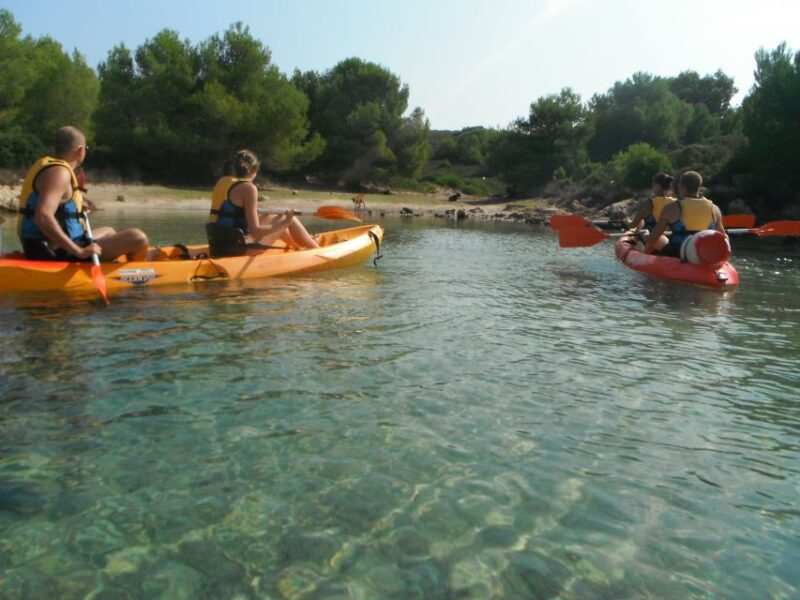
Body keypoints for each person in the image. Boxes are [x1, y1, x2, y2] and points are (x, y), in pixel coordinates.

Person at [18, 126, 148, 261]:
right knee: (138, 238)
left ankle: (112, 266)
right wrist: (79, 251)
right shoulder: (59, 173)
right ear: (80, 151)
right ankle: (134, 277)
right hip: (52, 251)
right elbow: (43, 217)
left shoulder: (50, 167)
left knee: (109, 231)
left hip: (47, 245)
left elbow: (55, 205)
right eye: (86, 149)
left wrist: (79, 206)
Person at [208, 149, 319, 252]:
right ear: (255, 170)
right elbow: (256, 232)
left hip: (217, 243)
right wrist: (285, 222)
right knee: (289, 219)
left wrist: (278, 221)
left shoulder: (222, 181)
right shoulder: (249, 188)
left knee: (271, 217)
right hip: (238, 249)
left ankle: (299, 245)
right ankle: (316, 250)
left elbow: (237, 215)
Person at [644, 170, 727, 257]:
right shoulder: (714, 209)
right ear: (699, 187)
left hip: (678, 253)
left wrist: (645, 236)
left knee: (659, 244)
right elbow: (723, 238)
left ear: (682, 187)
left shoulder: (671, 208)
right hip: (705, 254)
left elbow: (653, 238)